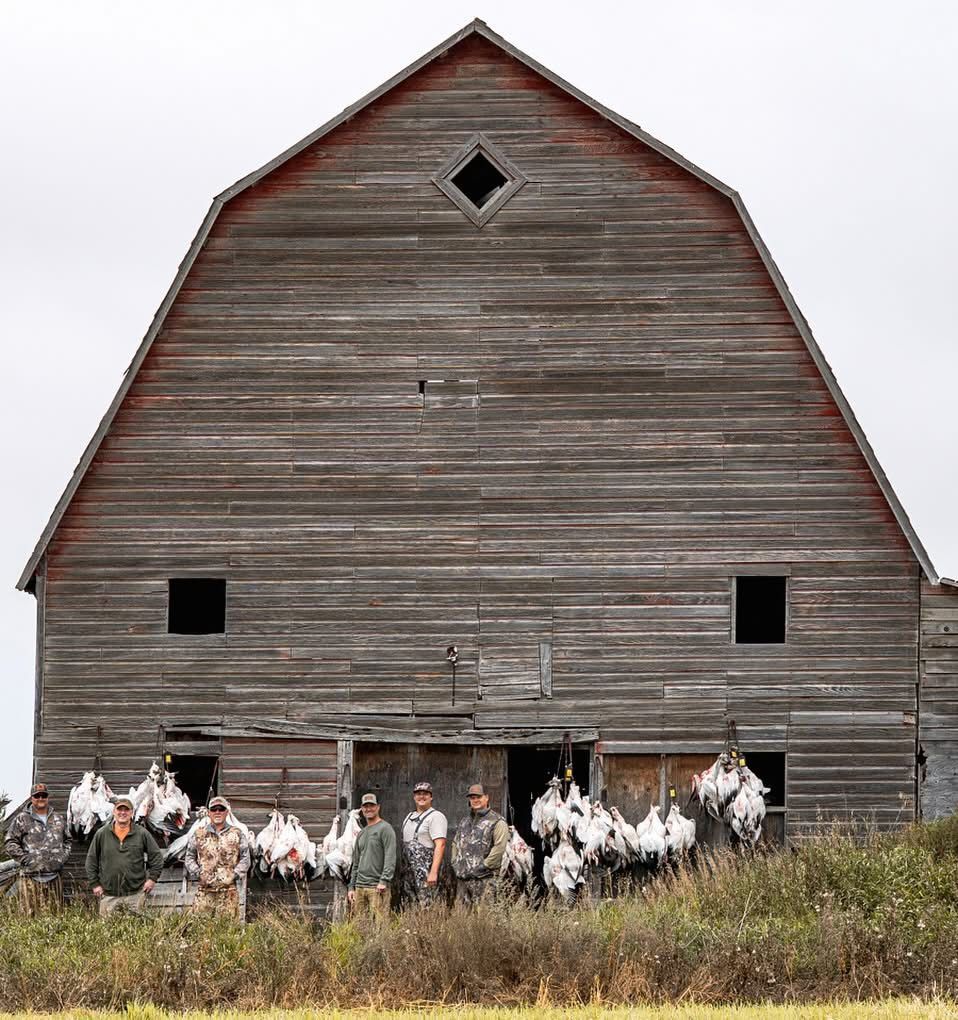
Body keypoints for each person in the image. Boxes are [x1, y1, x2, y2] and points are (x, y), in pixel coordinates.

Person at [85, 795, 163, 915]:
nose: (123, 813)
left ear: (132, 813)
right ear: (114, 812)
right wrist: (95, 884)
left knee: (137, 931)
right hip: (108, 895)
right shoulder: (102, 834)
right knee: (107, 932)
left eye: (126, 810)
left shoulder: (141, 833)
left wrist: (152, 879)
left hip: (135, 895)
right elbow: (91, 861)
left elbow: (157, 857)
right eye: (119, 809)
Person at [3, 783, 70, 914]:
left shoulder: (58, 819)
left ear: (47, 797)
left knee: (55, 918)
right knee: (29, 920)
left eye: (43, 795)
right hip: (30, 879)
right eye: (37, 796)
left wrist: (62, 858)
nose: (40, 798)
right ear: (31, 798)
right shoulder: (21, 819)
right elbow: (10, 842)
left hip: (54, 878)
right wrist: (25, 859)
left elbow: (68, 840)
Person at [185, 795, 251, 918]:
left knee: (228, 932)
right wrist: (198, 873)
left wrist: (234, 875)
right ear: (209, 813)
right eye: (214, 809)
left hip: (229, 893)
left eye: (221, 809)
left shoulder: (237, 834)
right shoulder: (199, 834)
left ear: (227, 812)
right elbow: (189, 856)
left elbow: (245, 859)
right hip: (204, 893)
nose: (217, 812)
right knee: (200, 929)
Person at [451, 783, 508, 905]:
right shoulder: (464, 822)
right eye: (472, 797)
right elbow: (455, 843)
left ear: (486, 797)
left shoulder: (497, 821)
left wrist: (483, 866)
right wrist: (455, 862)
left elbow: (499, 848)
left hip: (484, 881)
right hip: (463, 881)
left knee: (485, 919)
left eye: (478, 796)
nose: (475, 800)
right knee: (461, 920)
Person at [347, 793, 396, 919]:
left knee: (380, 926)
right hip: (360, 887)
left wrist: (384, 881)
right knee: (361, 925)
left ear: (378, 807)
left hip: (377, 887)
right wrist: (351, 887)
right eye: (365, 806)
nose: (369, 809)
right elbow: (356, 862)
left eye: (372, 806)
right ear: (362, 809)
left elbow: (390, 856)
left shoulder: (385, 828)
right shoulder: (361, 833)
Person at [400, 781, 447, 906]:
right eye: (418, 794)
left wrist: (433, 872)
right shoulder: (409, 816)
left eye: (425, 794)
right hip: (408, 873)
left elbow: (440, 845)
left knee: (428, 906)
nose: (422, 797)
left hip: (426, 874)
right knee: (409, 905)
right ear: (414, 797)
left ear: (431, 797)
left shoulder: (436, 816)